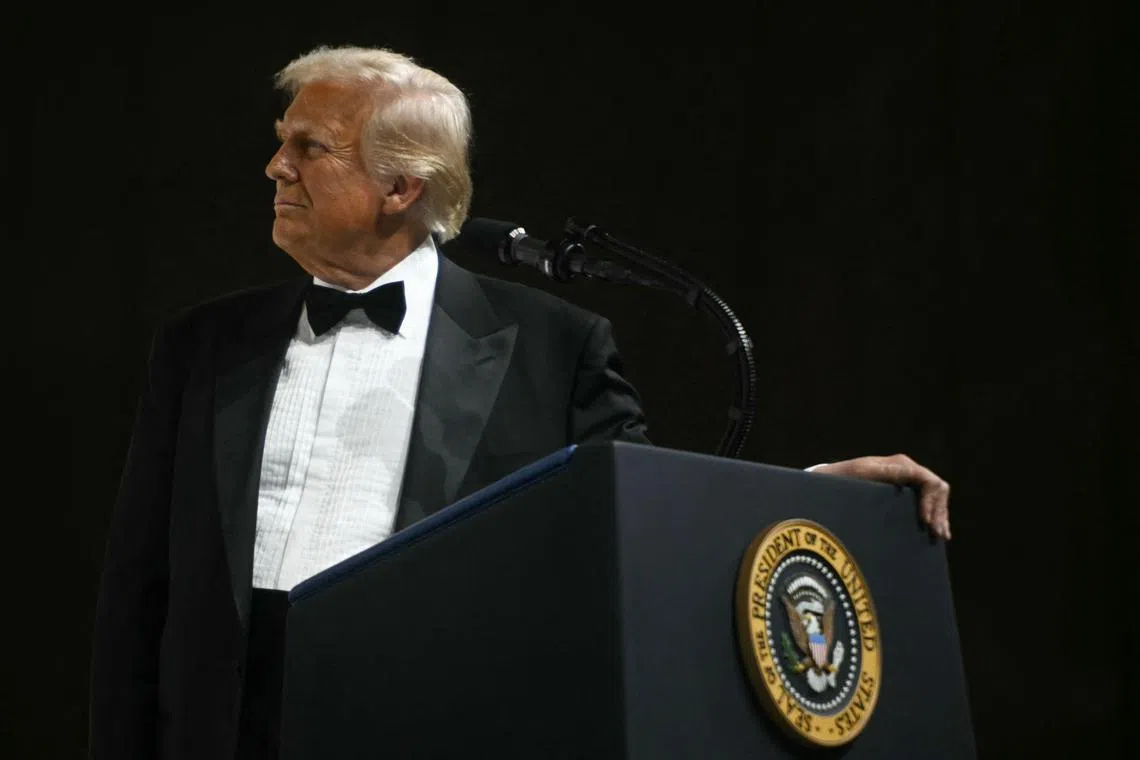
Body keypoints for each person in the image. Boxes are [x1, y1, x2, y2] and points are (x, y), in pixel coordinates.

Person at [89, 45, 951, 760]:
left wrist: (814, 496)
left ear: (402, 187)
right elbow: (137, 592)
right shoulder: (203, 345)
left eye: (310, 147)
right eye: (282, 141)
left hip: (429, 727)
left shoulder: (553, 348)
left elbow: (643, 522)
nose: (275, 166)